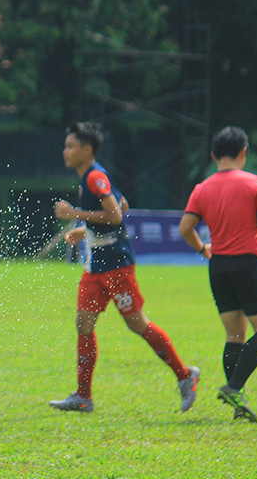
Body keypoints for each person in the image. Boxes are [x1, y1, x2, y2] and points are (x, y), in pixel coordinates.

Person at [49, 121, 200, 414]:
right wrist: (85, 230)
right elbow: (122, 205)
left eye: (70, 146)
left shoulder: (95, 177)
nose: (65, 151)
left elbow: (116, 215)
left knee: (137, 324)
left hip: (116, 265)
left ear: (87, 149)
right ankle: (83, 397)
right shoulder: (91, 178)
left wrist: (74, 213)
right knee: (83, 323)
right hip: (96, 264)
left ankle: (185, 376)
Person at [179, 126, 257, 423]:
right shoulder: (254, 183)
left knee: (234, 335)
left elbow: (185, 228)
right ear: (243, 152)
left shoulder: (202, 188)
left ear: (214, 155)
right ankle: (234, 387)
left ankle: (238, 403)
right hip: (249, 263)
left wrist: (203, 249)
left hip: (219, 267)